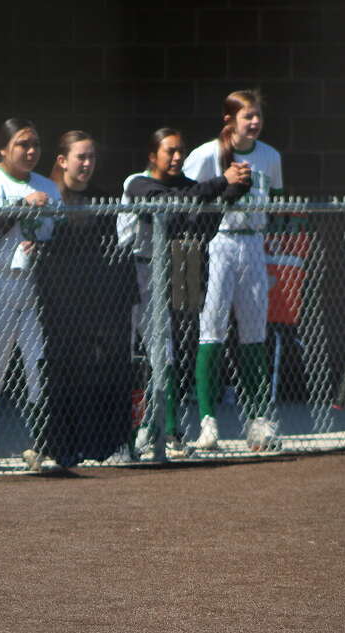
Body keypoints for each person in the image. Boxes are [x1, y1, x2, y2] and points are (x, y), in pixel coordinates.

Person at [124, 128, 250, 458]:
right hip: (146, 273)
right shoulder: (138, 183)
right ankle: (163, 433)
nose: (178, 156)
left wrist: (228, 196)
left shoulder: (190, 187)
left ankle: (161, 430)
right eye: (170, 151)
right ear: (153, 155)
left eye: (181, 150)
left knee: (178, 348)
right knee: (158, 350)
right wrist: (220, 182)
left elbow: (199, 228)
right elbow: (172, 208)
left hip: (184, 268)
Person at [183, 89, 283, 452]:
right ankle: (208, 423)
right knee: (211, 330)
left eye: (258, 115)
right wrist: (224, 185)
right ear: (230, 121)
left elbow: (279, 202)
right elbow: (188, 201)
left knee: (255, 330)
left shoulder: (270, 156)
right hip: (218, 242)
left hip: (253, 241)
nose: (254, 122)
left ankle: (258, 421)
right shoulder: (207, 154)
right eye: (247, 116)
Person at [0, 118, 60, 470]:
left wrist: (43, 248)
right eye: (22, 144)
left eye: (35, 144)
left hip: (33, 282)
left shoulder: (48, 186)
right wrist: (23, 205)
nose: (31, 151)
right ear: (3, 148)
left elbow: (55, 235)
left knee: (40, 364)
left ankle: (41, 444)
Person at [35, 131, 137, 468]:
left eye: (92, 157)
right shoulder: (51, 197)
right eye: (81, 157)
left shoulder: (102, 200)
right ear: (63, 160)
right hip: (59, 302)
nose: (88, 163)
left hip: (96, 302)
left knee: (102, 372)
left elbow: (115, 248)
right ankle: (62, 446)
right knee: (62, 374)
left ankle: (105, 445)